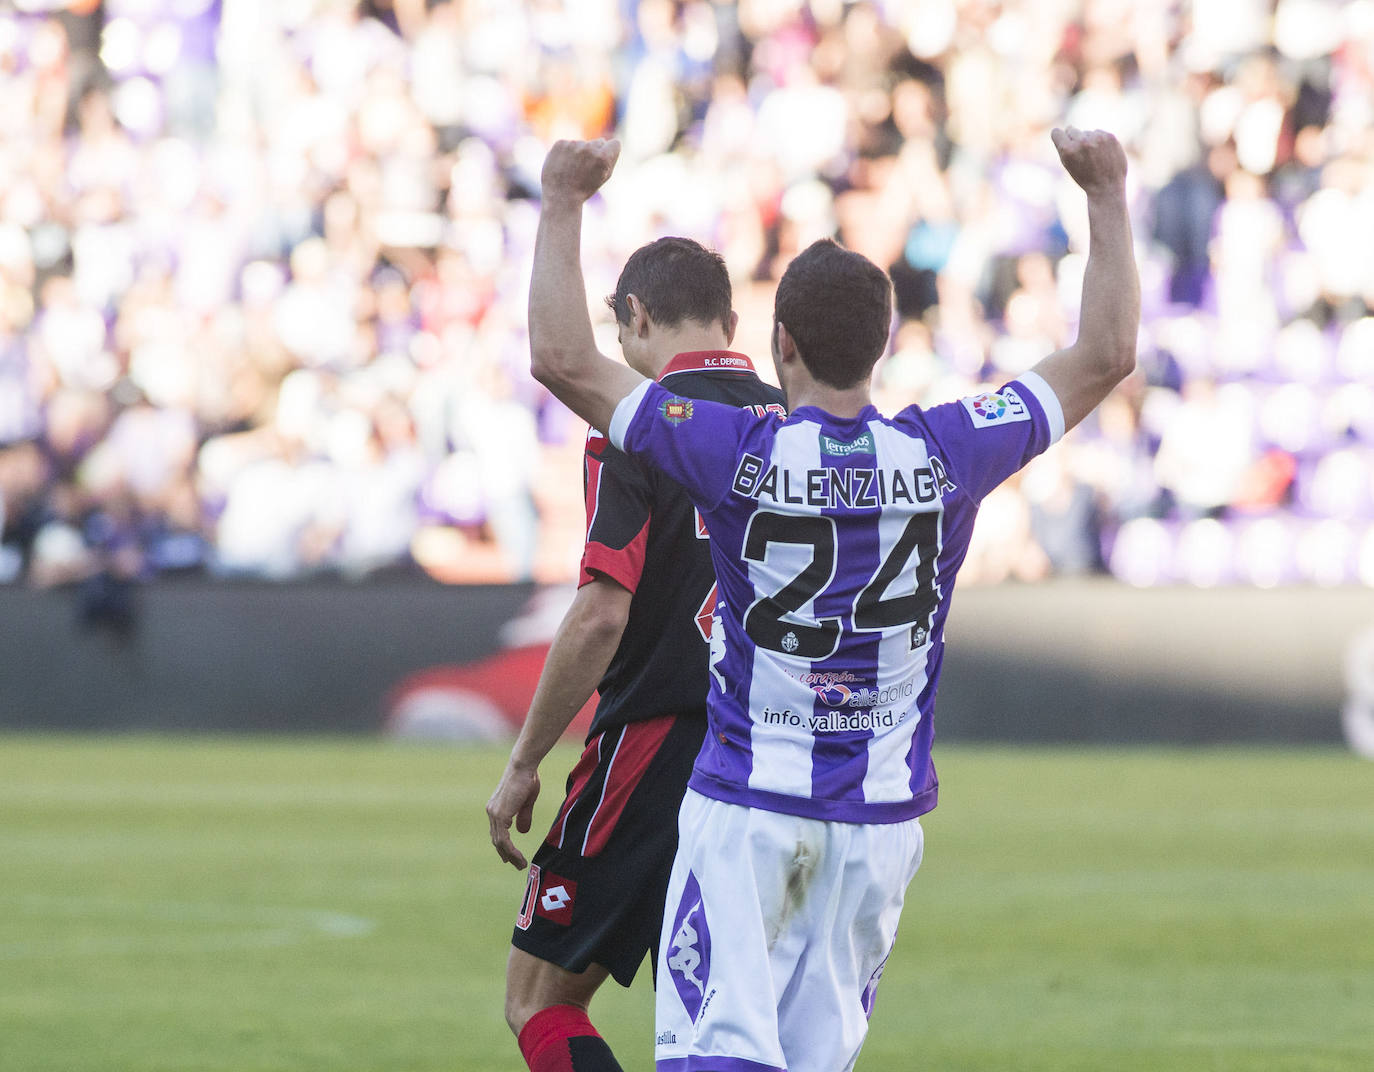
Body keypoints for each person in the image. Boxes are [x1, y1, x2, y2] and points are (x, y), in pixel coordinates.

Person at [525, 129, 1138, 1072]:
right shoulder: (945, 453)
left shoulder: (737, 455)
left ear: (782, 345)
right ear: (884, 345)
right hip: (880, 831)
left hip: (749, 809)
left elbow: (564, 357)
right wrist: (1104, 193)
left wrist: (565, 197)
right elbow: (1103, 354)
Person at [486, 232, 785, 1072]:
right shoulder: (794, 424)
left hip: (653, 747)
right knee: (717, 1021)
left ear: (636, 316)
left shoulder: (639, 421)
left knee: (537, 1002)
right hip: (767, 756)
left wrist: (524, 761)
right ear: (731, 320)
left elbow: (599, 615)